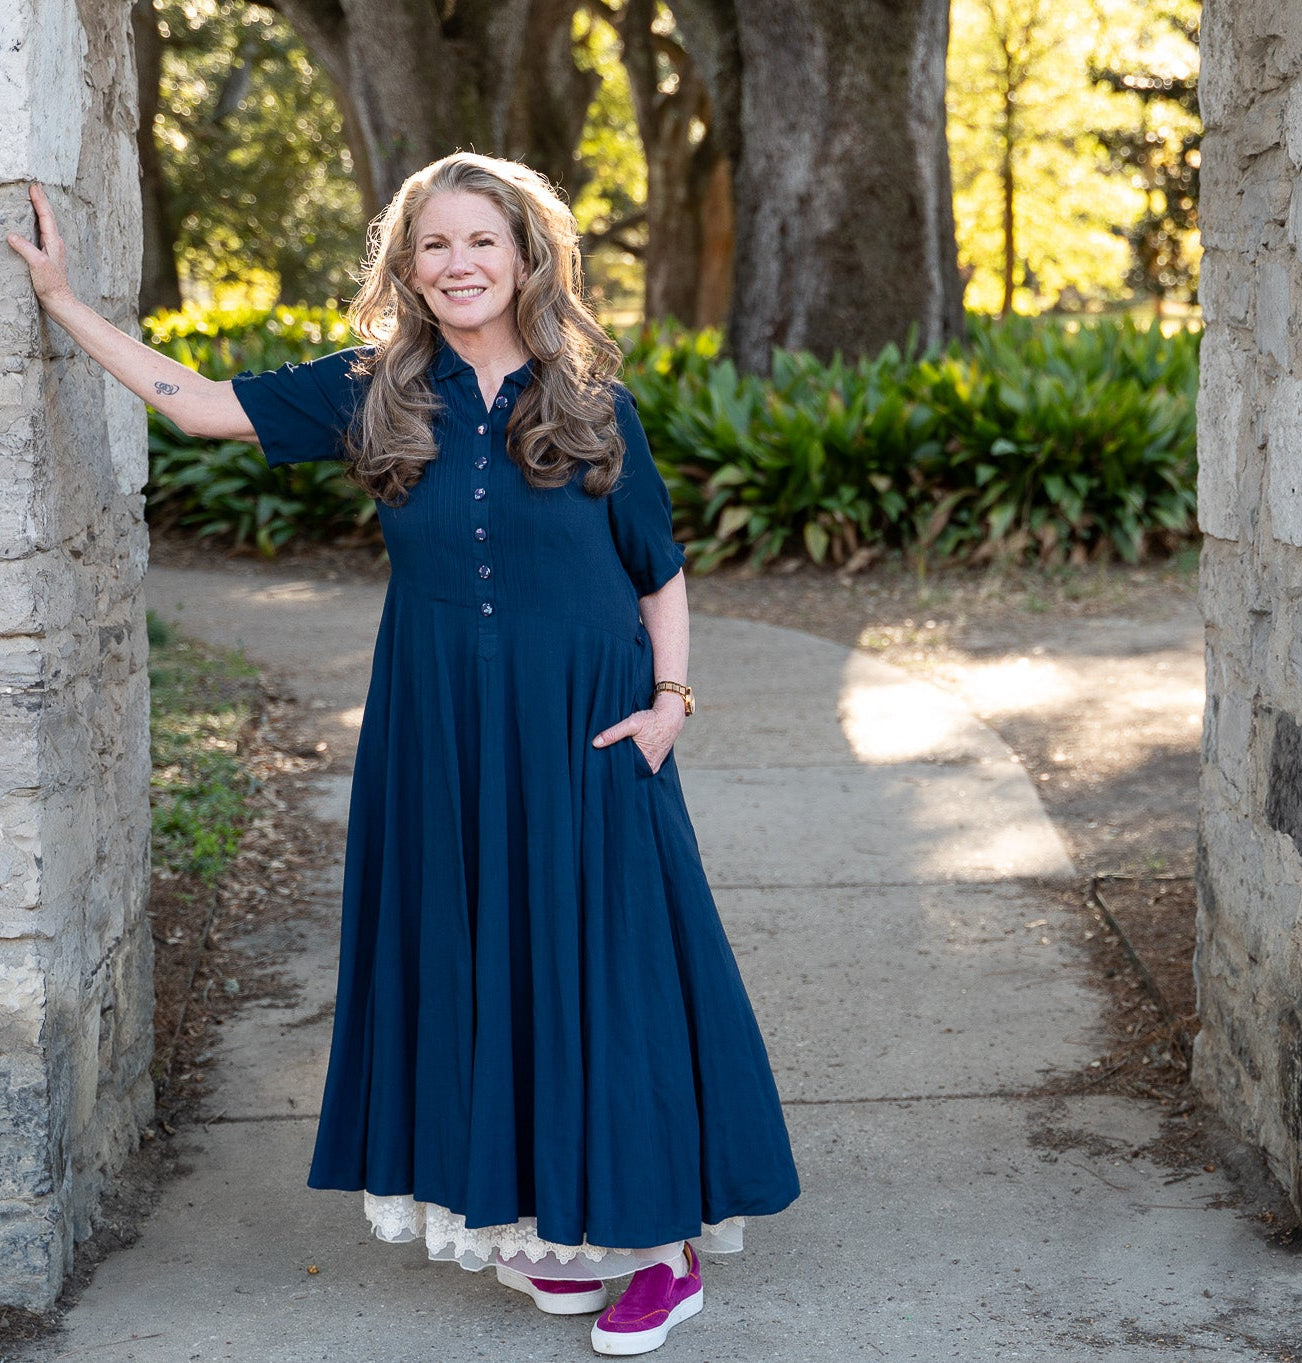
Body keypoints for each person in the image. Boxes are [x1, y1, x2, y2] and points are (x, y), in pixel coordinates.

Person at [8, 153, 799, 1357]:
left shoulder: (589, 399)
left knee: (609, 967)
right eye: (434, 245)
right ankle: (557, 1220)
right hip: (439, 729)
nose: (458, 264)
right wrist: (62, 303)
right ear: (406, 265)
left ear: (527, 258)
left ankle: (660, 1247)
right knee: (484, 959)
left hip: (587, 723)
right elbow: (193, 401)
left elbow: (660, 569)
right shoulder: (373, 390)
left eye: (482, 241)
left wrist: (669, 705)